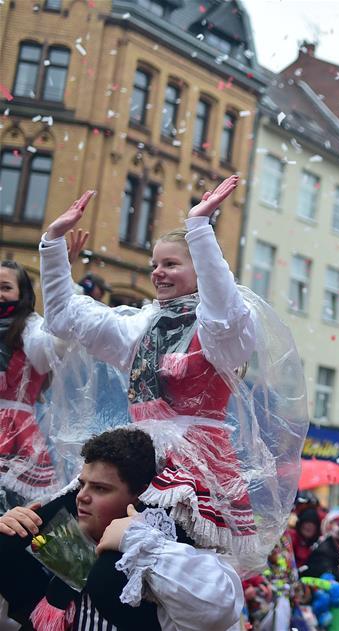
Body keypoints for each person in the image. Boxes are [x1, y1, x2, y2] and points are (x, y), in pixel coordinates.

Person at [38, 177, 308, 570]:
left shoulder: (221, 330)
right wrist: (52, 244)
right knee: (59, 540)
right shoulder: (141, 324)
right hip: (136, 453)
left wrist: (200, 228)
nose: (158, 273)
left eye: (171, 264)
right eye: (155, 265)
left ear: (201, 270)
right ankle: (65, 609)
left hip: (192, 464)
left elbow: (224, 309)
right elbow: (65, 318)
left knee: (153, 564)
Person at [0, 427, 242, 630]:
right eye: (82, 485)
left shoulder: (159, 560)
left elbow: (219, 609)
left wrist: (141, 543)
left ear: (138, 496)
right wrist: (8, 532)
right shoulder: (60, 543)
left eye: (100, 489)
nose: (81, 497)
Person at [0, 260, 65, 510]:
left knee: (15, 510)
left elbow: (54, 345)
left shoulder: (32, 329)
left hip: (15, 434)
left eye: (6, 287)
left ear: (22, 293)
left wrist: (59, 274)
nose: (0, 294)